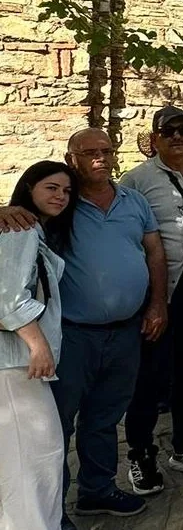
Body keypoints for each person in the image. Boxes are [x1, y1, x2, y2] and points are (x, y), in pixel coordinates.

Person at [50, 129, 167, 521]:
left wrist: (157, 303)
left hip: (126, 332)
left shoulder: (134, 201)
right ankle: (51, 509)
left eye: (106, 150)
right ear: (71, 159)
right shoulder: (61, 203)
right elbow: (21, 216)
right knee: (57, 424)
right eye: (89, 152)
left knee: (104, 418)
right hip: (71, 335)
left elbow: (155, 252)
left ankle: (96, 490)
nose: (100, 157)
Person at [120, 106, 183, 494]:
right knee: (150, 375)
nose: (177, 136)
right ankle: (140, 452)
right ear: (154, 138)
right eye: (168, 131)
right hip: (157, 291)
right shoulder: (136, 180)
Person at [0, 161, 75, 530]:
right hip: (16, 366)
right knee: (34, 461)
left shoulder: (32, 230)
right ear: (29, 187)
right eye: (51, 187)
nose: (61, 196)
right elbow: (7, 299)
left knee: (27, 461)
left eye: (66, 191)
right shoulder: (21, 230)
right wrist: (38, 345)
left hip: (17, 364)